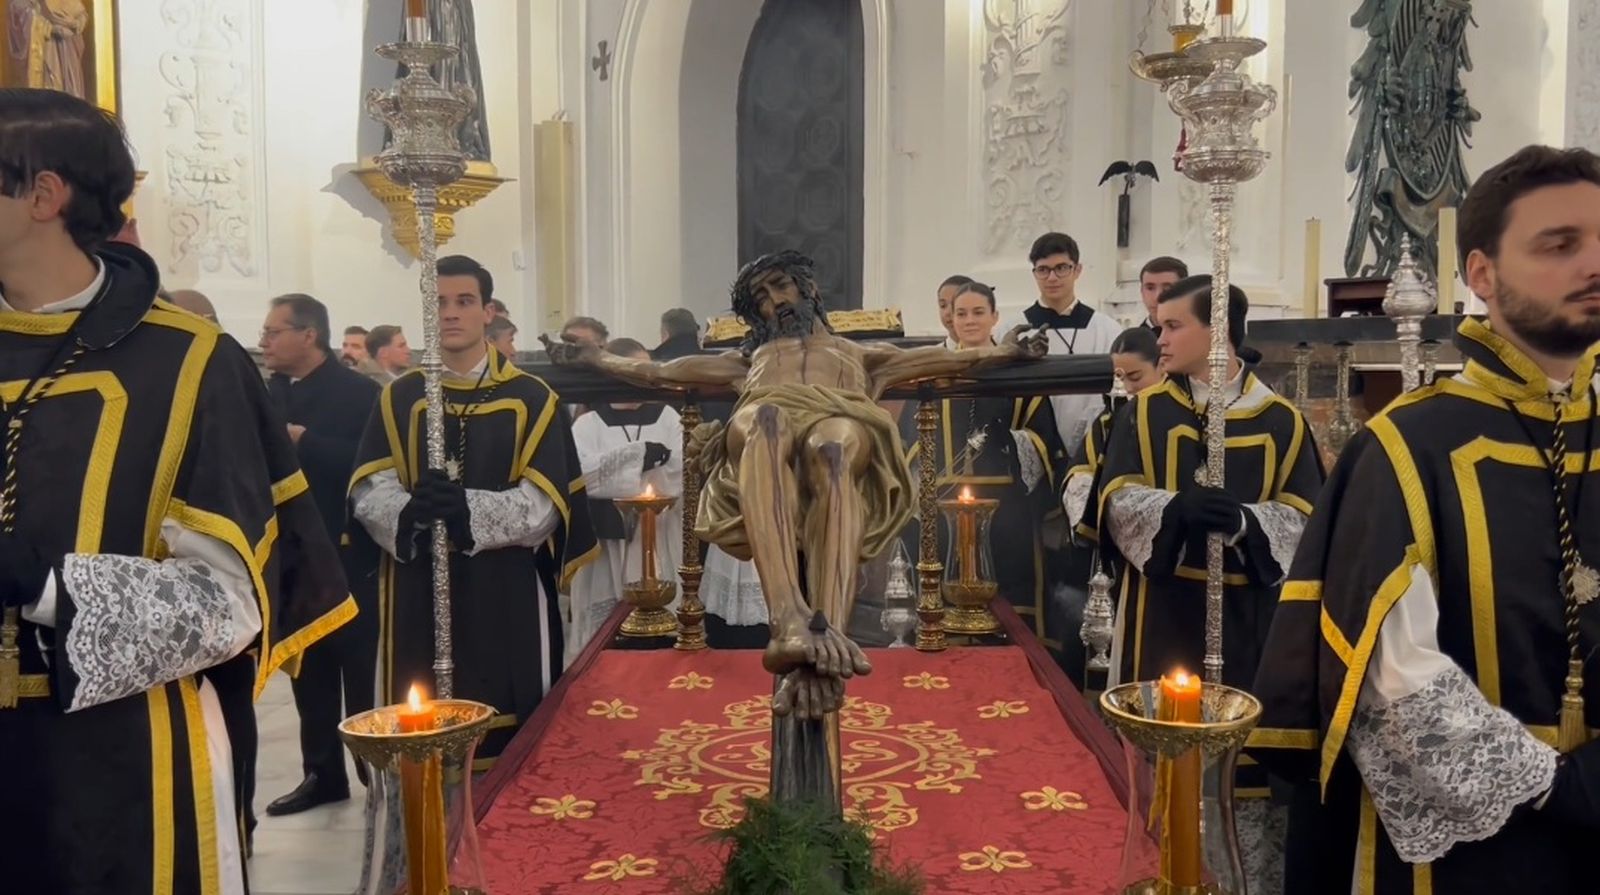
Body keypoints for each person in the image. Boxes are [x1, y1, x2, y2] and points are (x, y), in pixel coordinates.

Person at [0, 87, 353, 893]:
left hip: (125, 762)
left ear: (43, 197)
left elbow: (230, 602)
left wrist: (49, 585)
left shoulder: (190, 363)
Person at [1252, 145, 1600, 894]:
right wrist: (1557, 783)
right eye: (1560, 244)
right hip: (1478, 843)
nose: (1593, 264)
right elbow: (1395, 681)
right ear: (1481, 275)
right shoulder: (1407, 444)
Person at [546, 250, 1046, 728]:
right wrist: (594, 359)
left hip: (839, 422)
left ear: (808, 286)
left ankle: (826, 628)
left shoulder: (863, 356)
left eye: (781, 285)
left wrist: (1012, 347)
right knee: (766, 419)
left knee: (833, 444)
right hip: (765, 424)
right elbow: (656, 371)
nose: (775, 301)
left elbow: (956, 362)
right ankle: (787, 617)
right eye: (762, 297)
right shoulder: (750, 362)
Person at [1091, 275, 1323, 892]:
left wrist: (1249, 522)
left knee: (1241, 787)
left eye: (1172, 326)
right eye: (1158, 326)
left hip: (1249, 625)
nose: (1158, 337)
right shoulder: (1144, 411)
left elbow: (1309, 520)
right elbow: (1112, 499)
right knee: (1162, 773)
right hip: (1162, 613)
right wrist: (1173, 511)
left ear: (1217, 332)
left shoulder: (1282, 421)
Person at [349, 253, 596, 763]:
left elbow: (545, 504)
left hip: (504, 585)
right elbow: (370, 489)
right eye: (438, 302)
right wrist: (411, 511)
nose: (450, 313)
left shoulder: (532, 398)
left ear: (489, 312)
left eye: (464, 301)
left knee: (508, 718)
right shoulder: (400, 398)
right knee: (419, 723)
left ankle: (507, 832)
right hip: (417, 582)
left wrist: (466, 512)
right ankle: (422, 833)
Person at [257, 294, 382, 817]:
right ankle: (322, 773)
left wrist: (306, 442)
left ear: (309, 335)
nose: (264, 341)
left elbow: (373, 464)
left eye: (274, 331)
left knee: (358, 667)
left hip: (349, 549)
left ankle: (373, 771)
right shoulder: (269, 393)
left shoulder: (360, 392)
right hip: (294, 551)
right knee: (307, 668)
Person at [898, 281, 1066, 643]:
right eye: (961, 313)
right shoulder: (934, 374)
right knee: (942, 596)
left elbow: (1044, 440)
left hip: (1008, 510)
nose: (969, 320)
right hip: (943, 507)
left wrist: (1011, 442)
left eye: (978, 312)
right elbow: (909, 443)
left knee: (1009, 591)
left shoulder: (1021, 374)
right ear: (950, 319)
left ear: (995, 317)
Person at [567, 338, 683, 666]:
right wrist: (638, 457)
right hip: (606, 543)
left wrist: (637, 465)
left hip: (658, 536)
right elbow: (579, 475)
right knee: (604, 637)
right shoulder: (587, 424)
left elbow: (684, 467)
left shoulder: (669, 416)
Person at [1008, 232, 1124, 453]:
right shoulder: (1013, 330)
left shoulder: (1107, 330)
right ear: (1034, 273)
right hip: (1031, 448)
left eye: (1061, 268)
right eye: (1043, 269)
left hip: (1092, 446)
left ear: (1077, 270)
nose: (1052, 278)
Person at [1063, 326, 1164, 534]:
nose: (1126, 387)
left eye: (1135, 377)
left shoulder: (1178, 417)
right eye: (1118, 378)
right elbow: (1080, 470)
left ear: (1161, 367)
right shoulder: (1110, 419)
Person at [1137, 256, 1188, 334]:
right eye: (1150, 288)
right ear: (1142, 291)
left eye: (1167, 288)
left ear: (1184, 292)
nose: (1157, 297)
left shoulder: (1204, 337)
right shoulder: (1132, 342)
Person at [936, 274, 975, 349]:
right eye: (943, 305)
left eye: (956, 304)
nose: (947, 312)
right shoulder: (929, 358)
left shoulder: (999, 355)